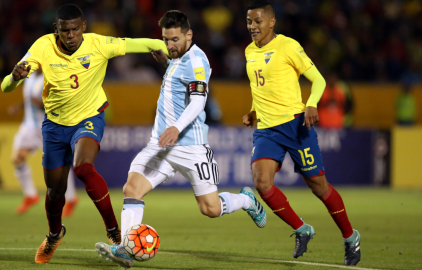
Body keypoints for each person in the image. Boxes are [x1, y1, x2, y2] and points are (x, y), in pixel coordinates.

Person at [94, 10, 267, 269]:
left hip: (190, 147)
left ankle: (246, 200)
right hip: (161, 144)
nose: (169, 45)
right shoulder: (176, 57)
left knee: (210, 208)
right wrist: (167, 61)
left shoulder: (197, 60)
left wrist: (176, 127)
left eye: (175, 39)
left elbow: (198, 101)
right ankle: (126, 248)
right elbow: (179, 81)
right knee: (133, 188)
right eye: (165, 39)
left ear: (189, 35)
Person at [0, 4, 169, 264]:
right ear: (56, 30)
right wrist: (13, 77)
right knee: (54, 192)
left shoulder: (99, 44)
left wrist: (168, 49)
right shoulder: (42, 46)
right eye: (65, 30)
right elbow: (5, 88)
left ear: (84, 27)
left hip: (89, 117)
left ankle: (115, 233)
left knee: (83, 167)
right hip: (55, 126)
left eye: (75, 29)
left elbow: (144, 42)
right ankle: (55, 234)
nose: (70, 35)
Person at [242, 1, 360, 265]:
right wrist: (252, 111)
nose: (252, 27)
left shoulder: (288, 46)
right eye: (249, 21)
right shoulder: (249, 51)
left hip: (296, 125)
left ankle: (350, 236)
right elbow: (259, 88)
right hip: (267, 130)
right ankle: (301, 229)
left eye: (258, 21)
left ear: (271, 22)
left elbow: (318, 79)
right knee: (262, 183)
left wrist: (311, 104)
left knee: (319, 188)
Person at [9, 70, 79, 217]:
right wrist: (20, 106)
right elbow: (30, 98)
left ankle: (71, 199)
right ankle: (30, 195)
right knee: (17, 158)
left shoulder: (53, 77)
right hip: (29, 125)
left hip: (49, 126)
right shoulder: (29, 77)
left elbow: (59, 103)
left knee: (60, 164)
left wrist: (40, 104)